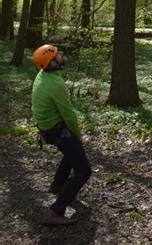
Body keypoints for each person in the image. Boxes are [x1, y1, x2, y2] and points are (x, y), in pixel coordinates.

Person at [31, 44, 91, 226]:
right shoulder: (56, 84)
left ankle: (57, 185)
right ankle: (55, 211)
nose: (61, 54)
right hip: (57, 131)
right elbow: (68, 114)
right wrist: (78, 134)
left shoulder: (43, 75)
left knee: (72, 152)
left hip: (48, 129)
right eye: (57, 54)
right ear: (51, 63)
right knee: (84, 171)